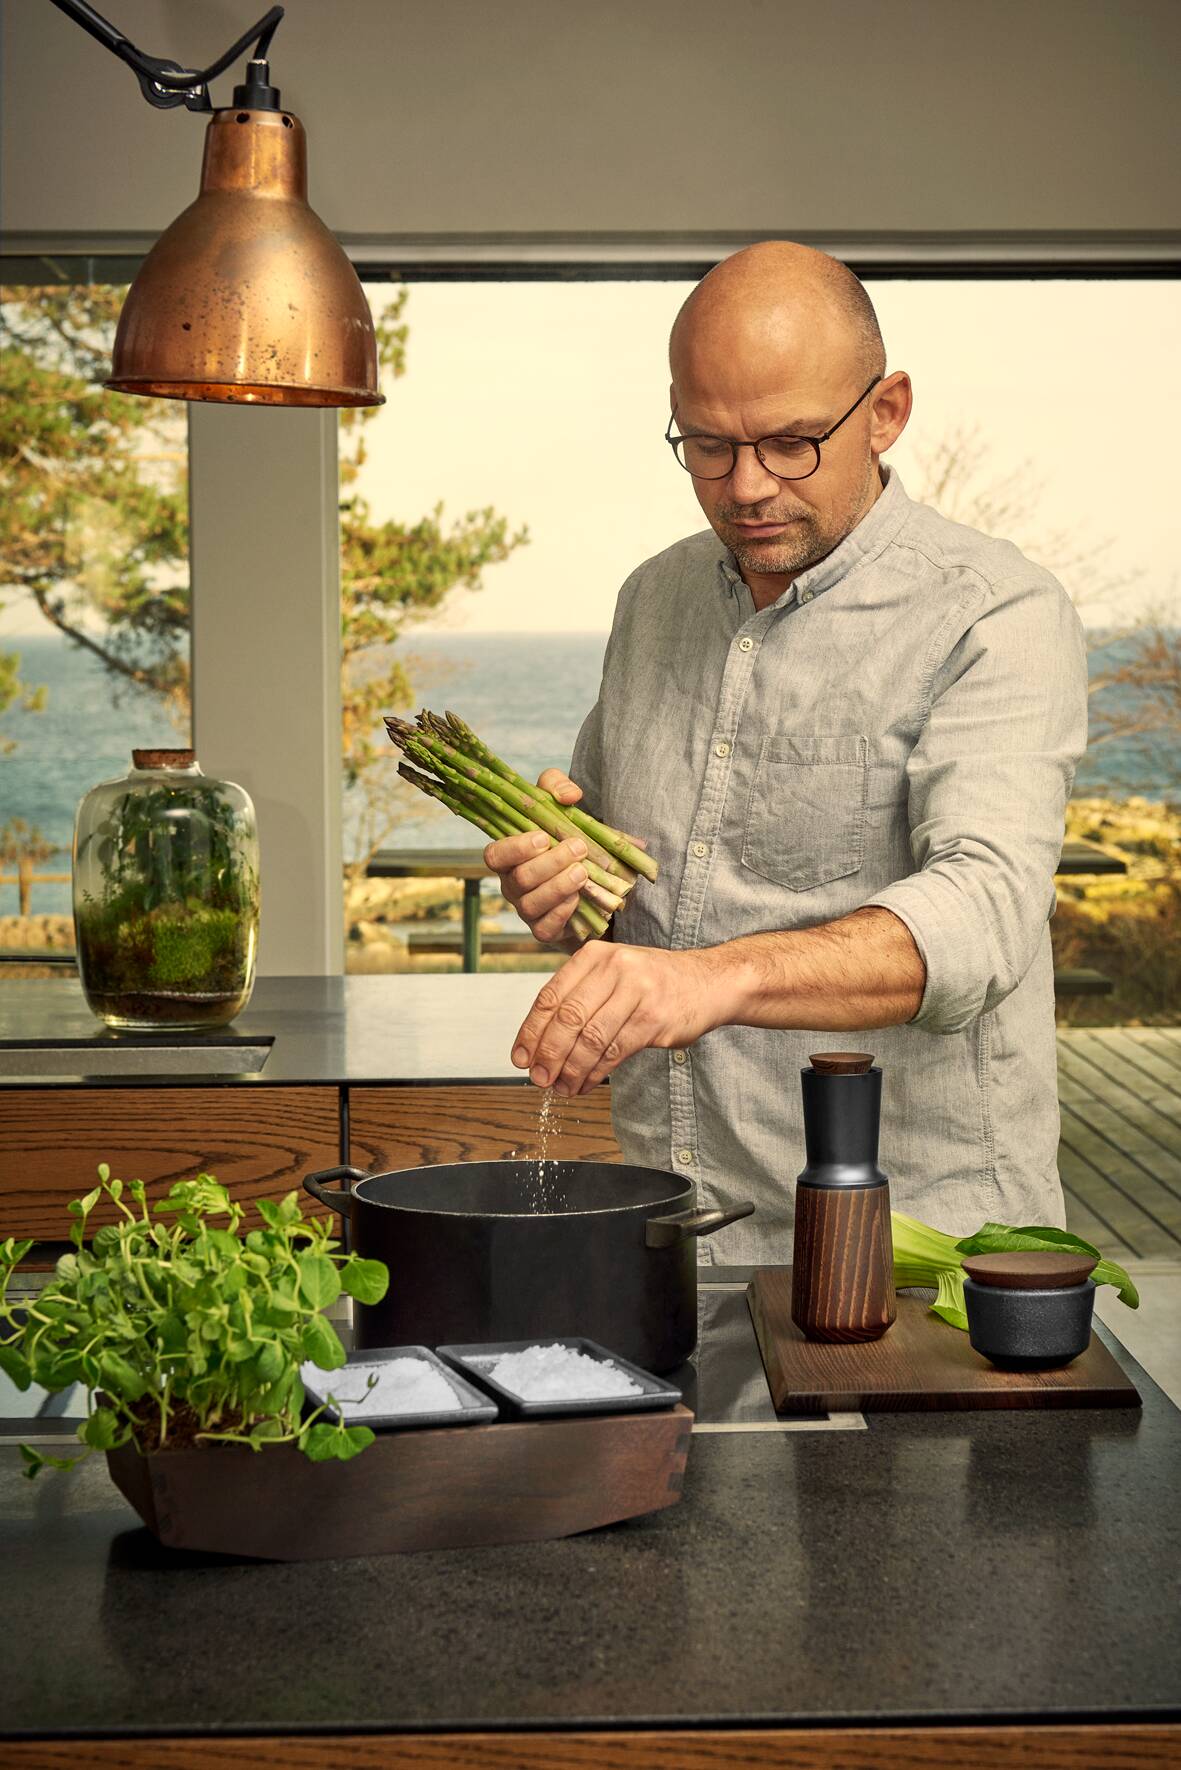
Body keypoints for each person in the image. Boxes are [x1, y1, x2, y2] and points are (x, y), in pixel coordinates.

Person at [483, 240, 1088, 1263]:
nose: (744, 486)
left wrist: (707, 978)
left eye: (790, 441)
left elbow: (982, 918)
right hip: (680, 1233)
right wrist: (565, 885)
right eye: (707, 445)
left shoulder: (994, 613)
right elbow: (637, 897)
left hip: (920, 1255)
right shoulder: (653, 601)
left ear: (885, 411)